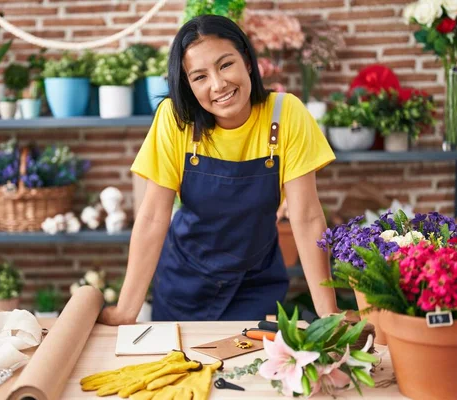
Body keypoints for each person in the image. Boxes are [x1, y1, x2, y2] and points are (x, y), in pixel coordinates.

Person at [99, 15, 343, 324]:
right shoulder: (175, 120)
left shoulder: (285, 114)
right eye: (199, 77)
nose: (218, 85)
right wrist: (124, 312)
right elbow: (152, 217)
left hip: (256, 284)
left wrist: (328, 312)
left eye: (225, 65)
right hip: (183, 285)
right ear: (187, 85)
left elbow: (306, 216)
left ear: (248, 61)